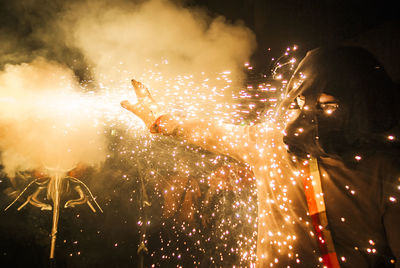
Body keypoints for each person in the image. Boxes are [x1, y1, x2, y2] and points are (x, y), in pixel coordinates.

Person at [121, 46, 400, 267]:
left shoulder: (387, 171)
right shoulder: (271, 145)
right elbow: (214, 132)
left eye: (328, 106)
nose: (308, 117)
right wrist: (162, 120)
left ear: (361, 107)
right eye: (301, 102)